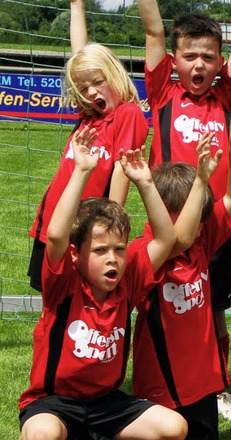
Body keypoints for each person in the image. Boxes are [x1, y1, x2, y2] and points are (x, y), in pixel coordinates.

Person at [18, 127, 186, 440]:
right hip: (53, 403)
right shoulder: (63, 285)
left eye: (119, 249)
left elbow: (166, 239)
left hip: (106, 404)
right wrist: (82, 171)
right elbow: (56, 235)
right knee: (44, 434)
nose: (113, 258)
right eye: (99, 251)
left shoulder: (128, 282)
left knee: (173, 428)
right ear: (76, 256)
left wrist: (146, 183)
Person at [137, 0, 231, 364]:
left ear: (220, 62)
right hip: (167, 227)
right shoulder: (162, 94)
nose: (199, 64)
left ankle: (216, 381)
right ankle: (162, 369)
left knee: (214, 308)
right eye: (190, 56)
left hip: (212, 227)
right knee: (162, 304)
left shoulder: (226, 97)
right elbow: (154, 30)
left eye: (208, 56)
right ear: (174, 61)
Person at [129, 100, 231, 440]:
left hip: (202, 383)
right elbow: (177, 238)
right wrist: (200, 179)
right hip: (160, 385)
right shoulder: (145, 254)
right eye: (193, 216)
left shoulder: (201, 239)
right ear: (162, 214)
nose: (201, 225)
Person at [28, 0, 148, 293]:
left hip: (85, 236)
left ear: (115, 75)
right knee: (52, 303)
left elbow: (122, 168)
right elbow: (78, 57)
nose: (91, 91)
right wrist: (77, 6)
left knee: (80, 309)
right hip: (50, 228)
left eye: (97, 82)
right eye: (83, 88)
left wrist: (113, 229)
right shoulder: (89, 116)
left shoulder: (126, 114)